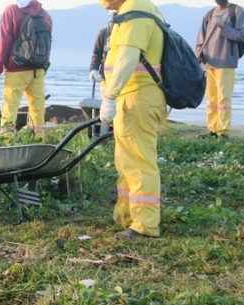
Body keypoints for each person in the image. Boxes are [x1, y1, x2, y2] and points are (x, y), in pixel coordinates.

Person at [99, 0, 167, 239]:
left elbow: (128, 58)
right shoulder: (130, 12)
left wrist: (109, 96)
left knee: (139, 162)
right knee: (126, 161)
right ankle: (127, 217)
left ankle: (145, 224)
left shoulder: (137, 13)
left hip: (138, 97)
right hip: (130, 97)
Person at [0, 0, 53, 139]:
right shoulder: (45, 15)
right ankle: (39, 140)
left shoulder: (11, 11)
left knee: (10, 108)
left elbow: (4, 41)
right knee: (38, 109)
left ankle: (7, 142)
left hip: (16, 69)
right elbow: (47, 44)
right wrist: (43, 67)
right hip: (38, 70)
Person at [196, 0, 244, 138]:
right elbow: (201, 37)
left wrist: (224, 28)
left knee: (224, 99)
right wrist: (199, 53)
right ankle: (212, 129)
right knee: (211, 99)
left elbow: (241, 36)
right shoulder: (210, 13)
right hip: (209, 62)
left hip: (226, 61)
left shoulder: (237, 11)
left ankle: (223, 131)